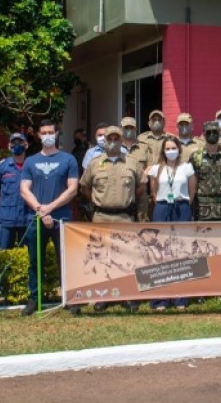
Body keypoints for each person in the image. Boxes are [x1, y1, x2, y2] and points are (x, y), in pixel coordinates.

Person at [79, 126, 147, 311]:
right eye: (110, 139)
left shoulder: (132, 163)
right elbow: (85, 187)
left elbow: (141, 185)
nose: (113, 142)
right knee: (102, 257)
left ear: (121, 140)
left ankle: (127, 295)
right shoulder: (95, 163)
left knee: (126, 256)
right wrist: (95, 201)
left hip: (124, 216)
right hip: (101, 216)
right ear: (105, 141)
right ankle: (104, 296)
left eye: (117, 138)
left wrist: (130, 200)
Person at [19, 120, 80, 316]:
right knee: (35, 261)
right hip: (36, 218)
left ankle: (70, 298)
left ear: (56, 133)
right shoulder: (30, 161)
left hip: (61, 219)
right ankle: (34, 298)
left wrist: (49, 209)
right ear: (38, 135)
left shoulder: (68, 159)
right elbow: (24, 190)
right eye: (43, 132)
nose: (47, 135)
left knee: (66, 260)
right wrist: (40, 209)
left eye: (51, 132)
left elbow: (72, 189)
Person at [147, 136, 197, 310]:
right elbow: (154, 190)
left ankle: (179, 298)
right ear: (163, 151)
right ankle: (160, 299)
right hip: (161, 209)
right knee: (160, 252)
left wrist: (183, 204)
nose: (170, 151)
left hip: (181, 208)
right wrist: (160, 203)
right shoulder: (156, 169)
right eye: (167, 148)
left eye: (173, 148)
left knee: (180, 251)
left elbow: (192, 191)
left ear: (179, 149)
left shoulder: (187, 168)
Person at [190, 121, 221, 221]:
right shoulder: (196, 157)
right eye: (208, 132)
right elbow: (191, 183)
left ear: (219, 132)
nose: (212, 134)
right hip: (202, 209)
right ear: (203, 134)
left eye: (214, 132)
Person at [0, 132, 29, 250]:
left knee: (28, 256)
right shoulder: (2, 166)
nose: (17, 145)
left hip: (26, 218)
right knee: (4, 255)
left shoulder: (32, 165)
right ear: (9, 146)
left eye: (20, 142)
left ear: (26, 145)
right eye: (13, 142)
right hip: (6, 219)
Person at [121, 116, 150, 222]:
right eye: (126, 127)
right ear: (121, 129)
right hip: (122, 190)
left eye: (131, 128)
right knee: (124, 222)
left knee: (142, 221)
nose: (129, 130)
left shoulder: (143, 147)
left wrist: (141, 178)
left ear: (135, 129)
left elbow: (150, 166)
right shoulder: (116, 146)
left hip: (141, 189)